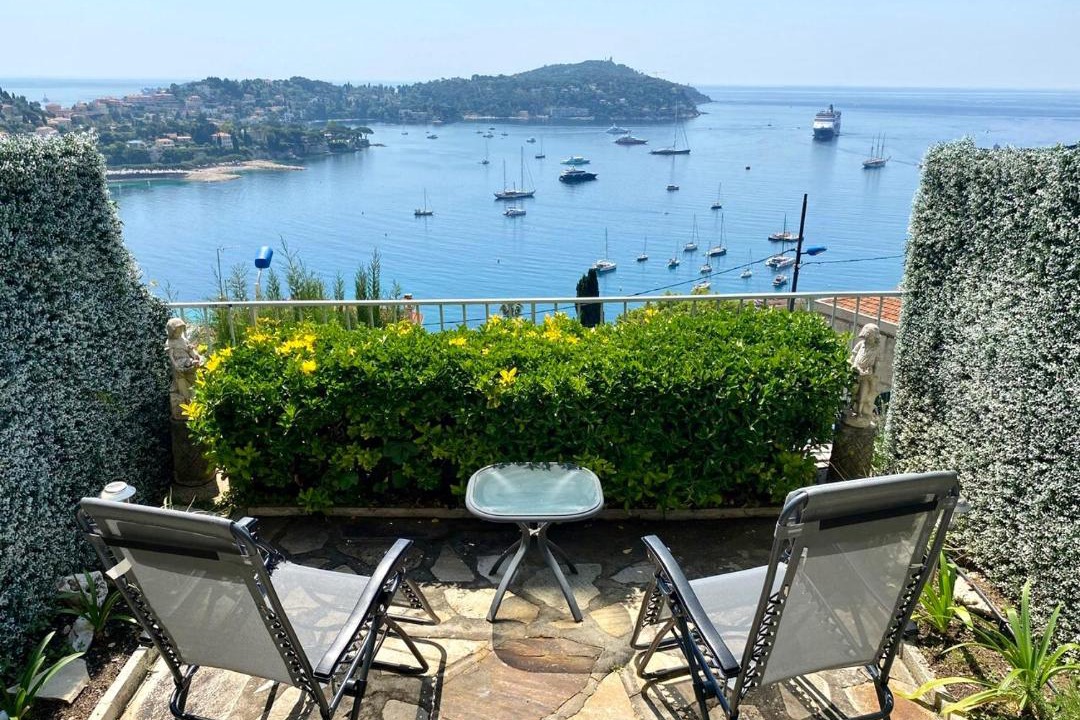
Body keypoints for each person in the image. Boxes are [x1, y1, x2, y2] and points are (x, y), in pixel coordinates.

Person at [165, 317, 202, 420]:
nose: (179, 333)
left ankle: (194, 363)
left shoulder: (183, 340)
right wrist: (175, 365)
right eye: (177, 331)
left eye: (181, 330)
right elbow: (171, 356)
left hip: (186, 360)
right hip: (178, 363)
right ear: (172, 331)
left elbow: (190, 350)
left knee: (193, 374)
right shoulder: (170, 342)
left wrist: (195, 354)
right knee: (182, 384)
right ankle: (186, 401)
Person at [846, 323, 881, 426]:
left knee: (863, 394)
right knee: (853, 390)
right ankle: (851, 408)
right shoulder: (861, 344)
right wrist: (852, 365)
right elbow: (853, 355)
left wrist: (874, 372)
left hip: (867, 375)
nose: (867, 338)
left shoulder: (876, 349)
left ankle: (859, 413)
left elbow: (877, 362)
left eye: (869, 336)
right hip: (856, 372)